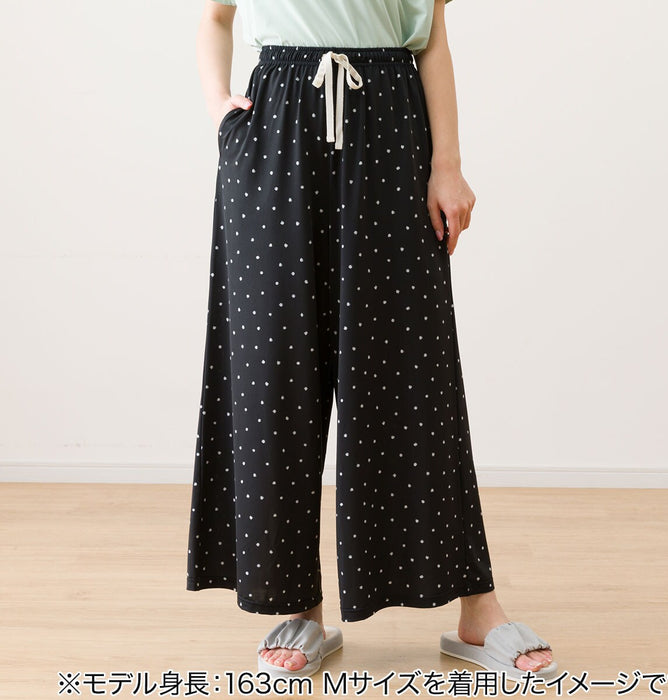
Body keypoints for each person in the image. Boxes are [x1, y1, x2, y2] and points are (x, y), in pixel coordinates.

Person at [186, 0, 557, 681]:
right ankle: (297, 604)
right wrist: (219, 110)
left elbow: (431, 38)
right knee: (275, 369)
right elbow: (215, 16)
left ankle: (477, 607)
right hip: (274, 128)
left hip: (389, 122)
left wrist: (448, 163)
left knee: (413, 371)